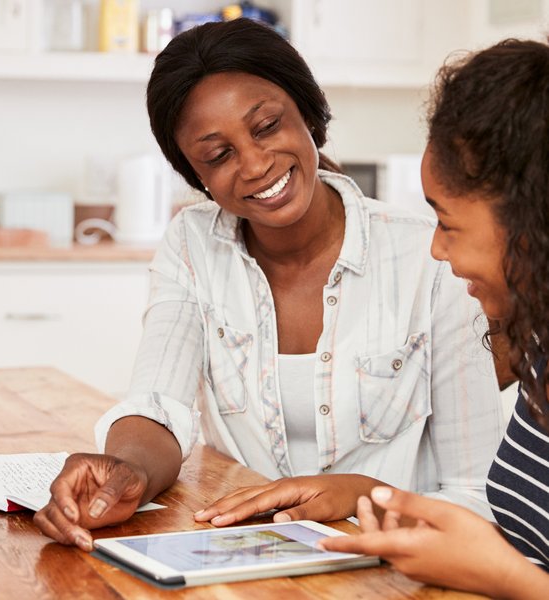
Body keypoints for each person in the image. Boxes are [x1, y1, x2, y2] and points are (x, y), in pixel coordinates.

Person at [33, 18, 503, 551]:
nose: (255, 164)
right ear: (196, 176)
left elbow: (476, 495)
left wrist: (364, 497)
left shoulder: (428, 256)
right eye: (218, 155)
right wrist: (126, 471)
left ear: (307, 112)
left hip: (399, 568)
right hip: (243, 562)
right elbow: (159, 403)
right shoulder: (193, 244)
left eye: (266, 126)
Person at [315, 39, 549, 598]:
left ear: (529, 222)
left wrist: (505, 577)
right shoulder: (537, 346)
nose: (437, 251)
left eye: (448, 223)